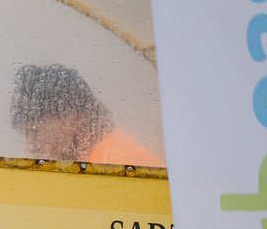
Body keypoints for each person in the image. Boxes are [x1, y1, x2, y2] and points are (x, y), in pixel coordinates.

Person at [10, 64, 163, 166]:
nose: (30, 146)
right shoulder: (106, 153)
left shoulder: (113, 165)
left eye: (35, 132)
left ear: (71, 117)